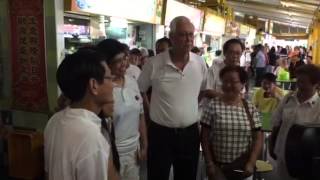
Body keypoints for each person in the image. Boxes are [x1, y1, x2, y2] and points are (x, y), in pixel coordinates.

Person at [138, 16, 207, 180]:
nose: (189, 39)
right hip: (160, 133)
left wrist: (187, 109)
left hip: (190, 133)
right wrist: (149, 110)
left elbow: (202, 91)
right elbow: (140, 90)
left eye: (191, 34)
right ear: (172, 37)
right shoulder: (154, 63)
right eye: (183, 35)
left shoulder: (199, 63)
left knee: (187, 175)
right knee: (157, 175)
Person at [44, 49, 115, 180]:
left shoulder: (55, 120)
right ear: (94, 85)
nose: (113, 84)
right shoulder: (90, 137)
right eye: (110, 78)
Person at [97, 39, 148, 180]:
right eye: (118, 61)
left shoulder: (132, 81)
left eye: (125, 58)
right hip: (111, 153)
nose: (124, 63)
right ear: (105, 64)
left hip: (133, 150)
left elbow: (140, 115)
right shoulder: (102, 88)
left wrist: (144, 144)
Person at [201, 66, 263, 180]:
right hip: (217, 168)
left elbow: (258, 138)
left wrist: (251, 162)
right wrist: (209, 163)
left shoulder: (250, 108)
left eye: (233, 82)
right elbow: (204, 138)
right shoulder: (213, 105)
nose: (228, 85)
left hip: (242, 167)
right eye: (225, 81)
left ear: (243, 84)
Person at [269, 64, 320, 180]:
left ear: (316, 84)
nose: (299, 85)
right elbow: (276, 123)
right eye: (298, 81)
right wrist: (272, 145)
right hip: (282, 153)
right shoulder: (288, 99)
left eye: (303, 82)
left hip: (306, 160)